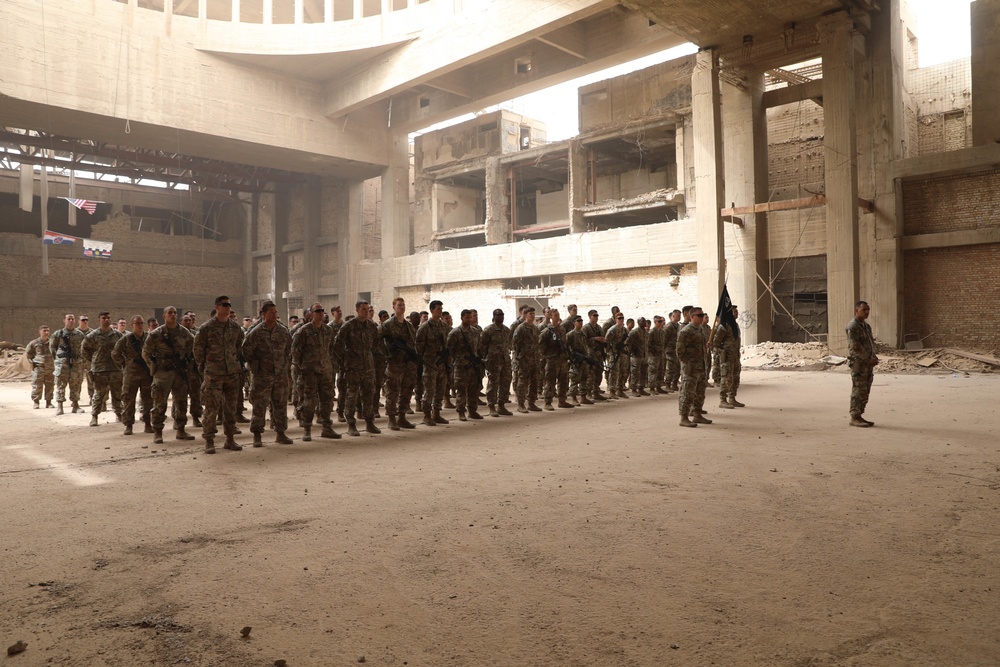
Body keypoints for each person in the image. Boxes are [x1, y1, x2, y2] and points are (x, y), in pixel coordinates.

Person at [193, 296, 246, 453]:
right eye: (225, 305)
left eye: (230, 305)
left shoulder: (235, 328)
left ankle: (230, 439)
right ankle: (209, 440)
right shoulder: (206, 328)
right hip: (213, 374)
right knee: (211, 408)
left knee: (230, 408)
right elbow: (198, 350)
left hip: (231, 374)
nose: (228, 307)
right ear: (217, 307)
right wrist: (205, 368)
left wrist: (233, 363)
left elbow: (238, 346)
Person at [242, 300, 293, 446]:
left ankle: (280, 433)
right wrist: (256, 365)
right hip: (262, 375)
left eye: (276, 312)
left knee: (280, 404)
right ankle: (257, 435)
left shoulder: (283, 331)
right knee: (259, 405)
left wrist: (283, 365)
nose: (275, 315)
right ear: (264, 314)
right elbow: (246, 351)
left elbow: (288, 349)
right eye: (271, 312)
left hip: (280, 375)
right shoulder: (256, 332)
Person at [142, 306, 196, 444]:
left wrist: (187, 364)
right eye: (170, 313)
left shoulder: (185, 333)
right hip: (162, 373)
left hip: (180, 373)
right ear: (164, 316)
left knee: (181, 402)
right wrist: (153, 367)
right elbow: (146, 353)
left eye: (175, 313)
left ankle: (181, 430)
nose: (173, 315)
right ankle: (158, 432)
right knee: (160, 403)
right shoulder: (156, 334)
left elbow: (193, 349)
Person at [292, 303, 340, 441]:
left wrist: (328, 363)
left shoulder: (328, 330)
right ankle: (307, 428)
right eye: (317, 311)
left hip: (325, 371)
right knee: (309, 401)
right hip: (310, 372)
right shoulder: (303, 331)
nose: (321, 313)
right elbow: (295, 352)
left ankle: (326, 427)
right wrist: (302, 368)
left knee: (327, 400)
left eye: (322, 311)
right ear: (311, 314)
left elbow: (331, 349)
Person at [334, 300, 381, 436]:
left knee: (368, 394)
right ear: (357, 310)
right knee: (352, 395)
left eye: (367, 309)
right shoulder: (348, 326)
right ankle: (351, 423)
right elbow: (337, 345)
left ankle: (369, 422)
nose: (366, 312)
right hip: (353, 367)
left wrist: (369, 355)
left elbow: (376, 343)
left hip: (368, 366)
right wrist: (345, 360)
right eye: (363, 309)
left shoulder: (371, 326)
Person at [381, 298, 419, 431]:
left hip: (407, 364)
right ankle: (392, 419)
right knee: (392, 391)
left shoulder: (409, 327)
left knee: (407, 390)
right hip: (394, 363)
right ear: (393, 307)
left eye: (403, 305)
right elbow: (378, 342)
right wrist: (389, 353)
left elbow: (412, 344)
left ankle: (402, 417)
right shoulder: (387, 325)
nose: (401, 307)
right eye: (399, 305)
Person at [112, 315, 153, 436]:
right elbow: (115, 353)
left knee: (148, 400)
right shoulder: (126, 339)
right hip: (131, 374)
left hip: (146, 374)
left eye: (142, 323)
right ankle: (128, 425)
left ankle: (147, 423)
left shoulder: (148, 337)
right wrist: (124, 364)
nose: (140, 325)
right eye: (137, 323)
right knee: (129, 400)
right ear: (132, 325)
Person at [81, 312, 124, 427]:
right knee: (99, 394)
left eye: (108, 318)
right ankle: (94, 416)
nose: (106, 320)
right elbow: (84, 350)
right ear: (99, 320)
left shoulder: (118, 335)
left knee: (117, 393)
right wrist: (95, 360)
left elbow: (124, 348)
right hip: (100, 370)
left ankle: (119, 414)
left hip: (115, 368)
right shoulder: (93, 335)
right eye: (104, 318)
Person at [415, 300, 451, 426]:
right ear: (431, 310)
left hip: (442, 363)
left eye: (441, 308)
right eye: (437, 309)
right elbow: (419, 348)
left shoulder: (444, 326)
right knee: (429, 390)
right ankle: (426, 415)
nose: (440, 310)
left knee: (441, 389)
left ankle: (437, 413)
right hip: (430, 363)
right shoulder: (424, 327)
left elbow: (447, 344)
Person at [446, 309, 483, 421]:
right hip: (461, 366)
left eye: (470, 317)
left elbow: (478, 347)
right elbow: (449, 349)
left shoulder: (475, 331)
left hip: (473, 365)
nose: (469, 319)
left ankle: (472, 410)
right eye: (467, 317)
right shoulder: (455, 332)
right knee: (461, 389)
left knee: (473, 389)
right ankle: (461, 412)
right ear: (462, 318)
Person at [676, 307, 711, 427]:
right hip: (691, 368)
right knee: (688, 393)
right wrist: (688, 364)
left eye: (702, 315)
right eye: (699, 316)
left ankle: (697, 414)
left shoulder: (700, 329)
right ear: (692, 317)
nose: (702, 318)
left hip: (701, 366)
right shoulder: (686, 331)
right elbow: (680, 351)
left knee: (699, 392)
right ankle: (684, 417)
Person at [846, 300, 879, 427]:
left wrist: (873, 357)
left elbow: (869, 344)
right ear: (856, 310)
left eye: (868, 310)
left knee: (865, 389)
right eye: (864, 310)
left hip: (867, 363)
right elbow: (855, 347)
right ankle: (854, 416)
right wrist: (867, 359)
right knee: (858, 389)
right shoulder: (853, 326)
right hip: (858, 363)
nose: (867, 312)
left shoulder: (866, 326)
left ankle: (860, 414)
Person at [479, 308, 514, 417]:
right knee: (493, 383)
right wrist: (486, 359)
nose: (501, 317)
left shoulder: (506, 330)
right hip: (493, 361)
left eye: (502, 315)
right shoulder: (488, 330)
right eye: (498, 315)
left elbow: (509, 344)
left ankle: (501, 405)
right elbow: (482, 346)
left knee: (505, 383)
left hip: (505, 360)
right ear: (494, 317)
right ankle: (492, 406)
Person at [50, 313, 86, 415]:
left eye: (72, 319)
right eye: (69, 319)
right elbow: (52, 348)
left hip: (76, 364)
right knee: (61, 384)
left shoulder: (79, 334)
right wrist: (57, 360)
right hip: (62, 364)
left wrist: (81, 360)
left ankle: (75, 406)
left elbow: (83, 348)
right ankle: (60, 407)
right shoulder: (58, 334)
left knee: (76, 384)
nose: (71, 321)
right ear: (64, 321)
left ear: (75, 321)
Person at [539, 309, 574, 410]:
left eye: (558, 315)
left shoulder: (562, 329)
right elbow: (541, 345)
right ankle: (547, 402)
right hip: (552, 359)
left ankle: (562, 400)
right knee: (550, 381)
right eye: (555, 315)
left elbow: (565, 343)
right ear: (550, 317)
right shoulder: (546, 331)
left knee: (563, 380)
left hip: (562, 359)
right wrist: (547, 355)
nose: (557, 317)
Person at [713, 304, 744, 409]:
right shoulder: (723, 326)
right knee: (726, 378)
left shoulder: (735, 325)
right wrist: (722, 352)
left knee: (735, 377)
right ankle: (723, 400)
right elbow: (715, 343)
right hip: (727, 357)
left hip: (735, 356)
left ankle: (732, 398)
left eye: (737, 311)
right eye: (735, 311)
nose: (737, 313)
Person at [511, 306, 541, 413]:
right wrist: (520, 357)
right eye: (530, 314)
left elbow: (537, 344)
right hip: (524, 359)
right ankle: (520, 404)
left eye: (533, 314)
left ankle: (531, 403)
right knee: (522, 382)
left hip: (534, 359)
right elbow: (515, 344)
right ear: (525, 315)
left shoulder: (535, 328)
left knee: (534, 381)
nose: (532, 316)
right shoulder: (521, 328)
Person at [567, 315, 595, 405]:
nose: (580, 322)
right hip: (576, 361)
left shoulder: (583, 334)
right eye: (578, 321)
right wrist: (572, 357)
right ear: (574, 323)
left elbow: (586, 346)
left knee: (584, 378)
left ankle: (583, 397)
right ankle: (574, 398)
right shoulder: (570, 334)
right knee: (575, 379)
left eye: (581, 321)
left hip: (584, 359)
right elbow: (567, 347)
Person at [26, 326, 55, 409]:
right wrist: (32, 363)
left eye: (48, 330)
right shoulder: (34, 343)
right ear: (39, 332)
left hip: (50, 367)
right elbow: (28, 354)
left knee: (50, 385)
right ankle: (36, 402)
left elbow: (56, 353)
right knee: (37, 385)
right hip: (38, 367)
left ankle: (49, 402)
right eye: (44, 330)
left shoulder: (52, 343)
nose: (46, 332)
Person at [582, 310, 608, 401]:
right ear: (590, 316)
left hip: (599, 353)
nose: (596, 317)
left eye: (597, 315)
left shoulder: (599, 328)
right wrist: (595, 339)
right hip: (590, 353)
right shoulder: (586, 328)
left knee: (599, 373)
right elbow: (583, 341)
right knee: (590, 374)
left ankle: (596, 391)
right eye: (594, 315)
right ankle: (588, 392)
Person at [604, 313, 629, 399]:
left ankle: (620, 389)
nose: (621, 320)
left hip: (622, 353)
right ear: (615, 319)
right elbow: (606, 342)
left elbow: (627, 342)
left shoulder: (625, 330)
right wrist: (610, 351)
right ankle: (612, 391)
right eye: (619, 318)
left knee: (623, 371)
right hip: (614, 353)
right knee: (614, 372)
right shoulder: (612, 330)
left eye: (622, 318)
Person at [627, 316, 649, 396]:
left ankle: (641, 388)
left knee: (643, 373)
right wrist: (632, 350)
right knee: (635, 373)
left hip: (644, 355)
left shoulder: (646, 332)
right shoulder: (634, 332)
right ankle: (633, 389)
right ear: (638, 322)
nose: (644, 323)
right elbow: (628, 342)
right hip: (636, 356)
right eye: (642, 321)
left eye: (645, 321)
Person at [647, 316, 668, 395]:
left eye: (661, 321)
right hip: (653, 355)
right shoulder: (652, 332)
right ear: (655, 322)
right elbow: (649, 344)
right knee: (653, 371)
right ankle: (652, 388)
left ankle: (659, 387)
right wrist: (654, 350)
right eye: (659, 321)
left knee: (660, 370)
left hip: (661, 354)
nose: (661, 323)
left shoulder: (662, 331)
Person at [77, 314, 94, 405]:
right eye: (83, 320)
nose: (85, 321)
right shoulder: (74, 332)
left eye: (86, 320)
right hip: (78, 360)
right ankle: (75, 398)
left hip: (89, 360)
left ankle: (92, 397)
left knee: (91, 379)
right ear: (78, 321)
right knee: (77, 380)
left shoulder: (92, 333)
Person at [663, 310, 681, 392]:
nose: (679, 317)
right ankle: (667, 384)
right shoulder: (669, 327)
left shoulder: (678, 326)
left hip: (676, 350)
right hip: (670, 351)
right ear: (673, 316)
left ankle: (674, 384)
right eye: (678, 316)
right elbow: (664, 339)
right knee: (670, 369)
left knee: (677, 368)